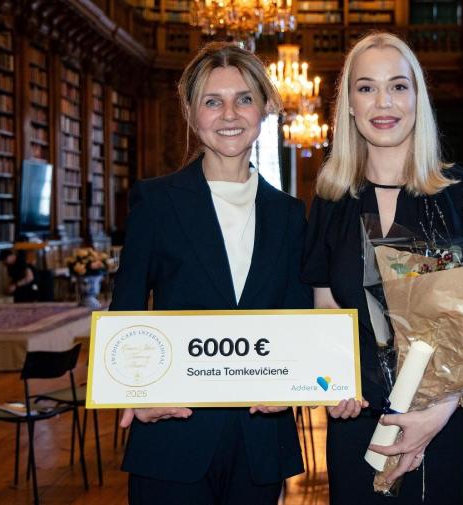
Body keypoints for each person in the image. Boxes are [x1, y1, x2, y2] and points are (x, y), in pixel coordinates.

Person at [302, 32, 463, 504]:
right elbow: (325, 304)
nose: (383, 102)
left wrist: (439, 409)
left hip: (453, 422)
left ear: (417, 97)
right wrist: (334, 380)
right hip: (359, 422)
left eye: (398, 86)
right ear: (349, 106)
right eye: (366, 87)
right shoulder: (331, 201)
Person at [110, 42, 311, 504]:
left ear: (265, 108)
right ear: (190, 112)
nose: (230, 115)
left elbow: (298, 315)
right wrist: (134, 393)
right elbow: (127, 306)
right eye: (213, 101)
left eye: (244, 99)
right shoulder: (155, 202)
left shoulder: (290, 214)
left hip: (261, 437)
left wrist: (295, 382)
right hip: (171, 428)